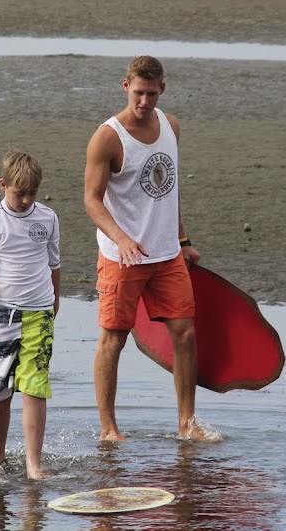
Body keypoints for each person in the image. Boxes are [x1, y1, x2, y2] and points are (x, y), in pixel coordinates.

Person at [83, 55, 219, 442]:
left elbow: (169, 193)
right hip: (120, 258)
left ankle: (187, 424)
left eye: (151, 94)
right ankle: (109, 430)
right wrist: (121, 238)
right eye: (138, 93)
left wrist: (184, 241)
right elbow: (92, 201)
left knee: (186, 334)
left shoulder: (171, 127)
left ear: (162, 88)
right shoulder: (108, 137)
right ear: (126, 87)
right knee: (114, 337)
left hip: (166, 254)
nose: (144, 101)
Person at [0, 151, 61, 479]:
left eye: (31, 193)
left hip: (39, 313)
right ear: (3, 185)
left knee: (35, 386)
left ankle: (34, 466)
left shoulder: (48, 218)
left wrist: (55, 301)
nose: (25, 200)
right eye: (18, 192)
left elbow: (54, 265)